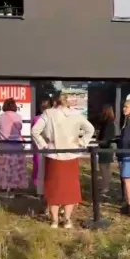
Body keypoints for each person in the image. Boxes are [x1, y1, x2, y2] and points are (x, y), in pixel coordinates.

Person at [31, 94, 95, 229]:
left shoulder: (48, 113)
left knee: (54, 189)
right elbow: (90, 129)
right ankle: (67, 220)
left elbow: (35, 131)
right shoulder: (76, 115)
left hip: (53, 155)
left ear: (55, 102)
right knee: (70, 189)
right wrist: (82, 142)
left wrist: (43, 145)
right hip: (71, 155)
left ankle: (54, 221)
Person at [0, 98, 28, 193]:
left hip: (3, 146)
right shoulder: (19, 117)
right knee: (14, 168)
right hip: (16, 146)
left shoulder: (0, 118)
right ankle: (13, 187)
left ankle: (2, 187)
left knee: (2, 168)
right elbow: (20, 128)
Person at [31, 99, 51, 191]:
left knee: (38, 167)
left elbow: (33, 132)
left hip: (38, 146)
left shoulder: (36, 119)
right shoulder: (51, 118)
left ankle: (38, 187)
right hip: (49, 145)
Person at [96, 104, 116, 194]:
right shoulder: (109, 122)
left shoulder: (108, 123)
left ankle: (106, 186)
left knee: (104, 167)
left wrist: (98, 143)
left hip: (105, 147)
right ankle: (105, 184)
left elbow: (106, 137)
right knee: (106, 167)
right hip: (107, 147)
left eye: (103, 110)